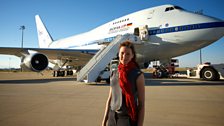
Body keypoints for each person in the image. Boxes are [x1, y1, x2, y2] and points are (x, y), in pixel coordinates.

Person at [102, 41, 145, 126]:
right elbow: (110, 98)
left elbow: (141, 105)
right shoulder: (114, 73)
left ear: (132, 56)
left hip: (127, 119)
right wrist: (104, 121)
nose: (124, 56)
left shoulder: (138, 75)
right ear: (118, 54)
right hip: (112, 117)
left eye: (128, 54)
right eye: (122, 53)